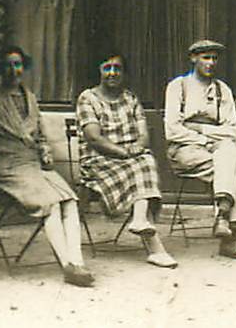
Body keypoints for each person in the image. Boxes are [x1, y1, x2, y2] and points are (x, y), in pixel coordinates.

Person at [0, 45, 94, 287]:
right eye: (8, 65)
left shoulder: (29, 97)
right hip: (7, 167)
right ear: (0, 69)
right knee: (50, 204)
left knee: (70, 200)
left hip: (33, 164)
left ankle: (77, 262)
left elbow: (40, 134)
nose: (13, 70)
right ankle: (66, 266)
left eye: (17, 64)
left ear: (24, 67)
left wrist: (45, 150)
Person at [75, 51, 177, 269]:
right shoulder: (88, 98)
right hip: (99, 162)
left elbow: (143, 136)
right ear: (99, 71)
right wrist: (124, 153)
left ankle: (140, 221)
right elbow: (93, 137)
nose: (112, 73)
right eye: (107, 68)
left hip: (130, 161)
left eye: (117, 68)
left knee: (145, 160)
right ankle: (154, 247)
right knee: (144, 165)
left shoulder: (130, 99)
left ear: (124, 73)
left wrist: (136, 149)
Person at [164, 37, 236, 259]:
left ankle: (222, 219)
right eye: (206, 57)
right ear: (193, 58)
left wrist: (198, 128)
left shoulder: (221, 89)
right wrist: (204, 137)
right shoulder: (178, 86)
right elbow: (173, 130)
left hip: (214, 148)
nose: (211, 63)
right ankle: (229, 237)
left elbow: (230, 130)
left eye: (215, 58)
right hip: (184, 150)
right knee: (231, 166)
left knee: (229, 157)